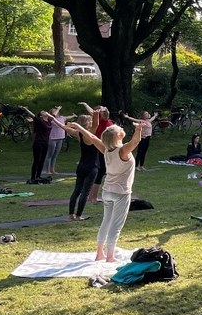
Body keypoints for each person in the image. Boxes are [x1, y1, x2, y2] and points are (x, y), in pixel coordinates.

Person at [67, 115, 145, 262]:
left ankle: (99, 253)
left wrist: (79, 127)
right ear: (119, 135)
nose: (121, 128)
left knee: (106, 222)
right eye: (119, 128)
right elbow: (136, 141)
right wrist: (139, 129)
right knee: (116, 225)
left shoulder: (106, 149)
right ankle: (109, 256)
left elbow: (90, 135)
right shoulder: (123, 151)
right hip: (121, 193)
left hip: (107, 191)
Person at [53, 113, 97, 221]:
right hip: (91, 167)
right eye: (90, 121)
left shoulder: (78, 134)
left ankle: (71, 215)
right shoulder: (90, 134)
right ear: (87, 123)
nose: (91, 123)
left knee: (76, 191)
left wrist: (53, 118)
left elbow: (63, 127)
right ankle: (78, 216)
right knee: (85, 192)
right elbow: (96, 124)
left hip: (81, 165)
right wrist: (96, 114)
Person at [44, 107, 66, 176]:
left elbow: (67, 117)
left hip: (60, 138)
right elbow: (55, 120)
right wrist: (58, 109)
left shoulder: (62, 117)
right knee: (50, 155)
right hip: (52, 138)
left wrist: (74, 115)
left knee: (55, 155)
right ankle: (47, 171)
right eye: (54, 111)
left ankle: (52, 170)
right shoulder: (51, 120)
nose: (55, 112)